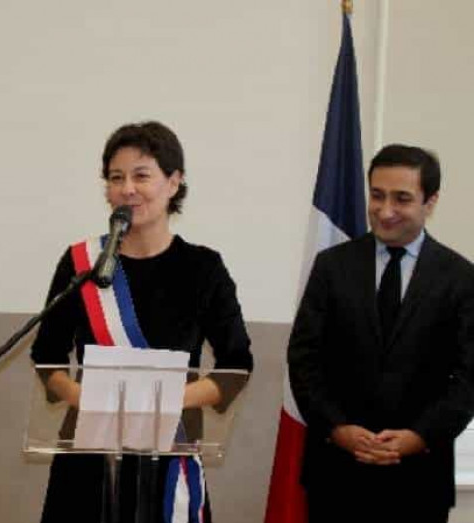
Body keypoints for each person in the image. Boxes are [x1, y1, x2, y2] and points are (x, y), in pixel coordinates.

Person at [31, 121, 253, 523]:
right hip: (88, 455)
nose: (127, 189)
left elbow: (236, 365)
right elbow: (47, 356)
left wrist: (165, 401)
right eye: (116, 178)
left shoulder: (203, 268)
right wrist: (83, 396)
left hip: (168, 454)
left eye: (141, 176)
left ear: (174, 182)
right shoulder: (82, 263)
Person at [288, 144, 474, 523]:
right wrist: (338, 428)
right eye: (377, 195)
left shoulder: (460, 277)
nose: (385, 210)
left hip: (420, 479)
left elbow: (469, 377)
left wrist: (418, 437)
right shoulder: (332, 267)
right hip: (335, 474)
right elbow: (304, 359)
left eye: (401, 198)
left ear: (430, 201)